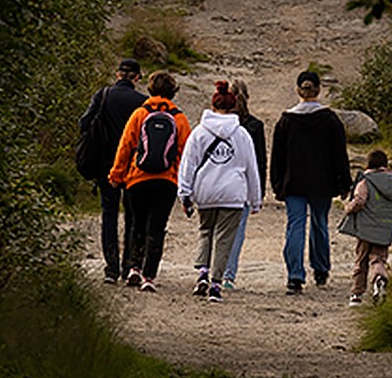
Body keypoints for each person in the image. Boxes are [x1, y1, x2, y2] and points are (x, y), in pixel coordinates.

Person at [269, 69, 352, 295]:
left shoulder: (286, 120)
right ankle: (321, 269)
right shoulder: (330, 120)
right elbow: (339, 156)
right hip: (322, 183)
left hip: (294, 182)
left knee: (295, 225)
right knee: (319, 223)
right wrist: (345, 183)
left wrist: (277, 185)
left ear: (297, 90)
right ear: (319, 90)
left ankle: (295, 276)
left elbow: (277, 157)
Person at [177, 81, 262, 302]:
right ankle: (216, 284)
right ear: (234, 107)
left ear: (213, 106)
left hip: (205, 191)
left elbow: (188, 165)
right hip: (233, 194)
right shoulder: (242, 134)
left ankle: (202, 272)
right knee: (224, 238)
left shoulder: (199, 132)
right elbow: (251, 168)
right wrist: (255, 200)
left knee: (205, 232)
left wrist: (184, 193)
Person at [107, 70, 191, 293]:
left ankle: (133, 267)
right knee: (157, 228)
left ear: (151, 89)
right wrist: (184, 184)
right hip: (166, 181)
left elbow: (125, 146)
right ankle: (149, 276)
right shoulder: (180, 118)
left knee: (137, 225)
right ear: (173, 92)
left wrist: (116, 176)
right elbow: (185, 154)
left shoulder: (139, 114)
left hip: (137, 179)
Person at [77, 58, 145, 284]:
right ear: (137, 77)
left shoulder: (103, 95)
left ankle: (111, 268)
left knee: (109, 214)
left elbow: (84, 124)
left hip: (105, 165)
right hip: (133, 167)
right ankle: (129, 266)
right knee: (133, 216)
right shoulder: (142, 102)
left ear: (118, 74)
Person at [340, 148, 392, 306]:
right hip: (384, 229)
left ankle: (356, 295)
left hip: (365, 229)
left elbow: (360, 201)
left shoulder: (365, 182)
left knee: (361, 261)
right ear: (386, 164)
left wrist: (348, 208)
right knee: (378, 259)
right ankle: (379, 278)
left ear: (368, 165)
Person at [221, 79, 266, 291]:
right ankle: (228, 274)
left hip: (217, 184)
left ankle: (212, 270)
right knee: (237, 232)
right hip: (242, 186)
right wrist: (259, 192)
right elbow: (259, 162)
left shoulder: (216, 124)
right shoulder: (254, 126)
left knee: (215, 230)